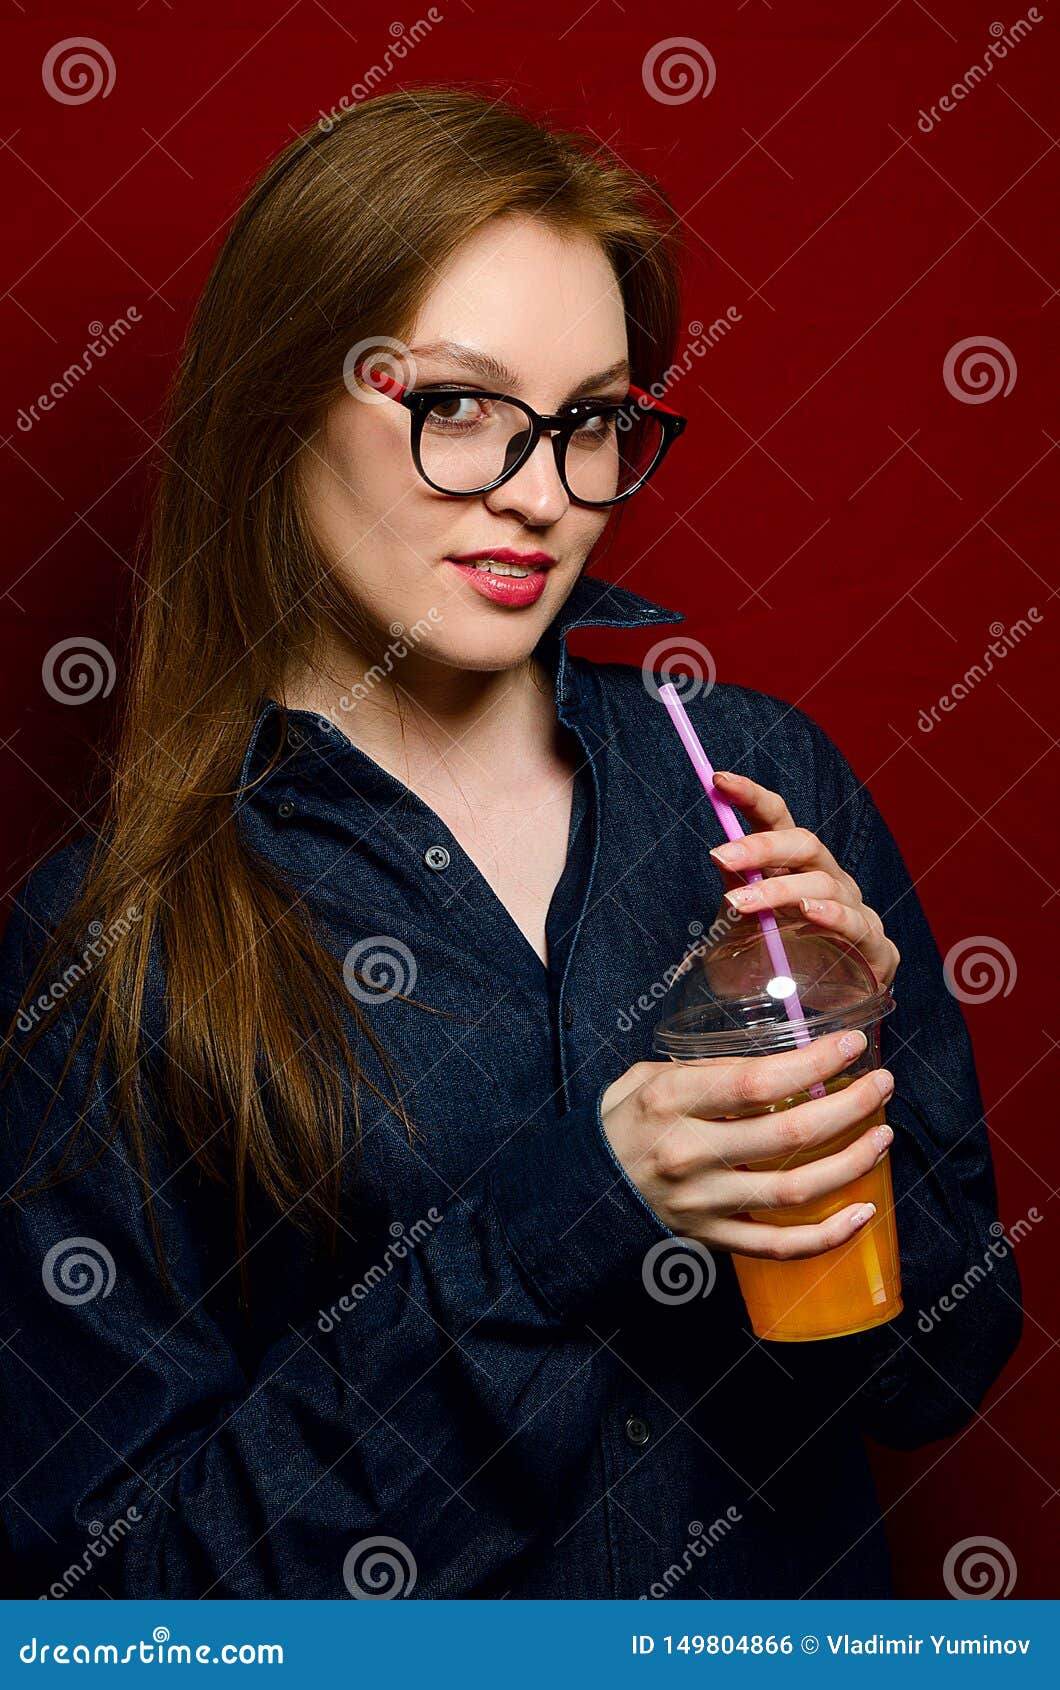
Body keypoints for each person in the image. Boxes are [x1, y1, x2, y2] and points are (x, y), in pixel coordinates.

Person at [0, 85, 1020, 1601]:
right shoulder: (111, 943)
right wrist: (577, 1215)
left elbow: (937, 1373)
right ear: (280, 401)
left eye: (595, 421)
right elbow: (121, 1602)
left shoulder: (750, 781)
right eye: (460, 407)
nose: (544, 496)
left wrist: (853, 1096)